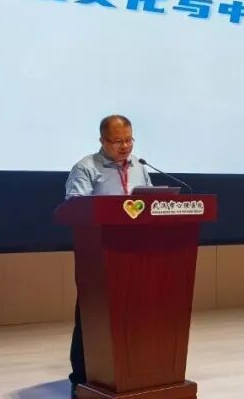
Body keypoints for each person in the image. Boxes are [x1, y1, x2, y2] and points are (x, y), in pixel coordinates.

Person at [64, 114, 153, 395]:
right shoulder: (86, 167)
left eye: (129, 140)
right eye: (117, 141)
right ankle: (81, 377)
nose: (125, 146)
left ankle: (133, 371)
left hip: (136, 254)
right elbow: (75, 208)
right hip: (99, 256)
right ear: (102, 141)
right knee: (91, 316)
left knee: (136, 314)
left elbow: (151, 204)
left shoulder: (140, 166)